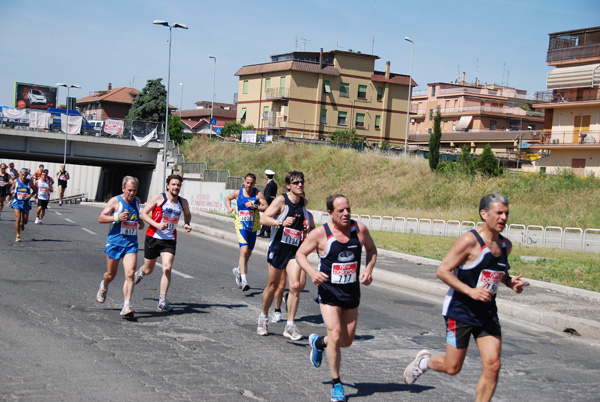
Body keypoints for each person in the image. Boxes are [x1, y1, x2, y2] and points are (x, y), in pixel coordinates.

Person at [403, 194, 525, 402]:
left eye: (506, 213)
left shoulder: (505, 246)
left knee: (493, 365)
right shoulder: (469, 241)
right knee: (452, 367)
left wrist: (509, 281)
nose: (504, 217)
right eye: (499, 213)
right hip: (460, 311)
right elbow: (443, 271)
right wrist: (470, 291)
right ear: (484, 214)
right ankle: (424, 363)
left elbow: (496, 271)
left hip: (487, 313)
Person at [297, 194, 377, 402]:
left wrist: (368, 269)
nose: (346, 213)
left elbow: (372, 250)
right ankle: (337, 383)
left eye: (348, 209)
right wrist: (313, 273)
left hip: (351, 293)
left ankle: (318, 343)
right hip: (329, 293)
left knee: (346, 341)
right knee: (335, 333)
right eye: (340, 210)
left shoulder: (359, 230)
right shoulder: (319, 234)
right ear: (330, 213)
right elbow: (300, 255)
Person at [257, 170, 308, 340]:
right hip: (278, 248)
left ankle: (290, 325)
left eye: (302, 182)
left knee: (294, 286)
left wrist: (308, 228)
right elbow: (264, 219)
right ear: (288, 185)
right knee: (272, 286)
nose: (300, 185)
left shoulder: (303, 203)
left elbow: (308, 223)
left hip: (294, 251)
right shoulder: (281, 200)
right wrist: (280, 222)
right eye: (296, 183)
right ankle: (263, 317)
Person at [134, 174, 192, 312]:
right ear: (168, 185)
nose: (176, 187)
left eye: (178, 185)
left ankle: (162, 300)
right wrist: (157, 224)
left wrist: (187, 223)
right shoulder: (159, 198)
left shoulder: (183, 202)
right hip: (153, 237)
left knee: (167, 267)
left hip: (169, 240)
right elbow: (143, 214)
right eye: (173, 184)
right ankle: (141, 272)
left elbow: (187, 214)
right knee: (149, 269)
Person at [96, 176, 145, 318]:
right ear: (123, 188)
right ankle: (104, 285)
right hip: (115, 243)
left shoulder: (137, 201)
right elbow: (101, 218)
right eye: (129, 190)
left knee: (130, 274)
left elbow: (136, 217)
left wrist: (140, 222)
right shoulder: (115, 201)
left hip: (131, 244)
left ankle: (126, 305)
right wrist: (116, 218)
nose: (132, 193)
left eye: (134, 190)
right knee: (111, 275)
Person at [225, 173, 268, 291]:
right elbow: (227, 198)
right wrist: (229, 208)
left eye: (251, 183)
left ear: (254, 183)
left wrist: (255, 206)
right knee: (244, 251)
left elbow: (266, 207)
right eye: (247, 182)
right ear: (244, 181)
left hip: (253, 227)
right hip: (240, 225)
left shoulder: (258, 194)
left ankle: (238, 270)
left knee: (248, 253)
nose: (249, 185)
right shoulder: (238, 193)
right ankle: (244, 281)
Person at [10, 168, 36, 242]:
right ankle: (17, 235)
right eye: (22, 175)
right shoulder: (16, 181)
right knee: (17, 219)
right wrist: (11, 191)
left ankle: (22, 223)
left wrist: (30, 195)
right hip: (17, 202)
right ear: (19, 174)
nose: (23, 176)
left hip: (25, 203)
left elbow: (35, 190)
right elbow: (11, 188)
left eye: (25, 175)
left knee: (25, 221)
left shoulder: (29, 182)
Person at [258, 169, 278, 238]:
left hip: (268, 202)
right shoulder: (274, 184)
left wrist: (264, 203)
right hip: (272, 202)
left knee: (267, 217)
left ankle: (268, 232)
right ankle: (262, 231)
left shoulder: (269, 185)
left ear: (267, 176)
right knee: (266, 216)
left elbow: (267, 195)